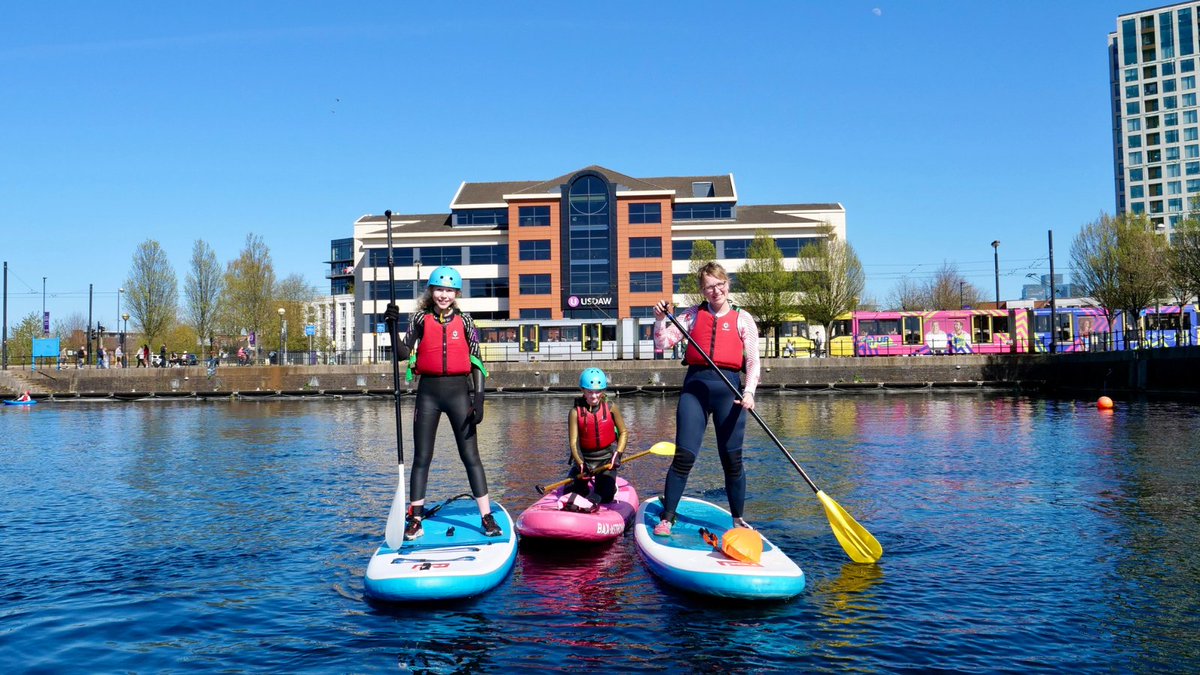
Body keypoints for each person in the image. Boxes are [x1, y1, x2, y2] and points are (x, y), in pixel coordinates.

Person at [651, 262, 760, 535]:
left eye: (720, 284)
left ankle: (737, 521)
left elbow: (754, 361)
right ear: (702, 289)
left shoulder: (742, 318)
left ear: (727, 284)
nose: (716, 290)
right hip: (695, 392)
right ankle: (668, 518)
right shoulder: (690, 316)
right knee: (684, 456)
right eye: (709, 286)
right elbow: (661, 345)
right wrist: (660, 320)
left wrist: (749, 393)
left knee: (732, 460)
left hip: (731, 394)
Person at [391, 265, 497, 540]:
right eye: (439, 289)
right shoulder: (418, 319)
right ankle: (415, 519)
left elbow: (476, 360)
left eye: (449, 290)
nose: (443, 295)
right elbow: (403, 353)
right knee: (422, 457)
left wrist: (479, 398)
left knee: (470, 456)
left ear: (456, 293)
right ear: (431, 291)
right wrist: (392, 328)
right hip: (428, 393)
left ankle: (486, 516)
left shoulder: (467, 322)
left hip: (459, 394)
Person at [566, 368, 628, 504]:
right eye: (590, 392)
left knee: (604, 495)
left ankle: (604, 493)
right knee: (570, 491)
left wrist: (618, 454)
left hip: (606, 461)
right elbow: (573, 442)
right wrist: (581, 464)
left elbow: (623, 432)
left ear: (603, 391)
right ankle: (583, 491)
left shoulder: (611, 407)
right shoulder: (575, 412)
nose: (594, 396)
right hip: (585, 462)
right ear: (583, 391)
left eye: (598, 392)